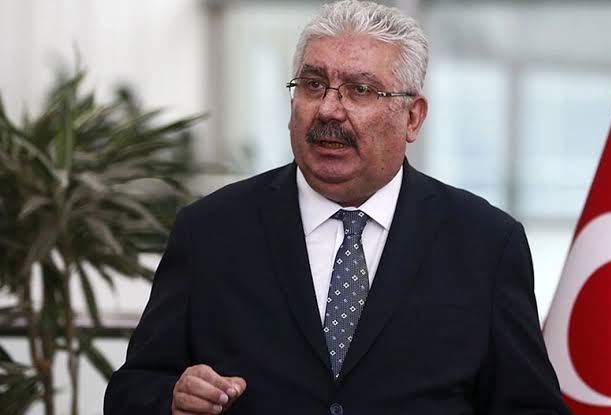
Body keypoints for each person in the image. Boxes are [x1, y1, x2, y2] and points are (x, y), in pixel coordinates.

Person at [104, 1, 571, 414]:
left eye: (360, 90)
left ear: (412, 117)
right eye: (313, 84)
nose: (328, 109)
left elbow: (529, 405)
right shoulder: (210, 231)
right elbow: (132, 391)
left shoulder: (485, 243)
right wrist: (172, 402)